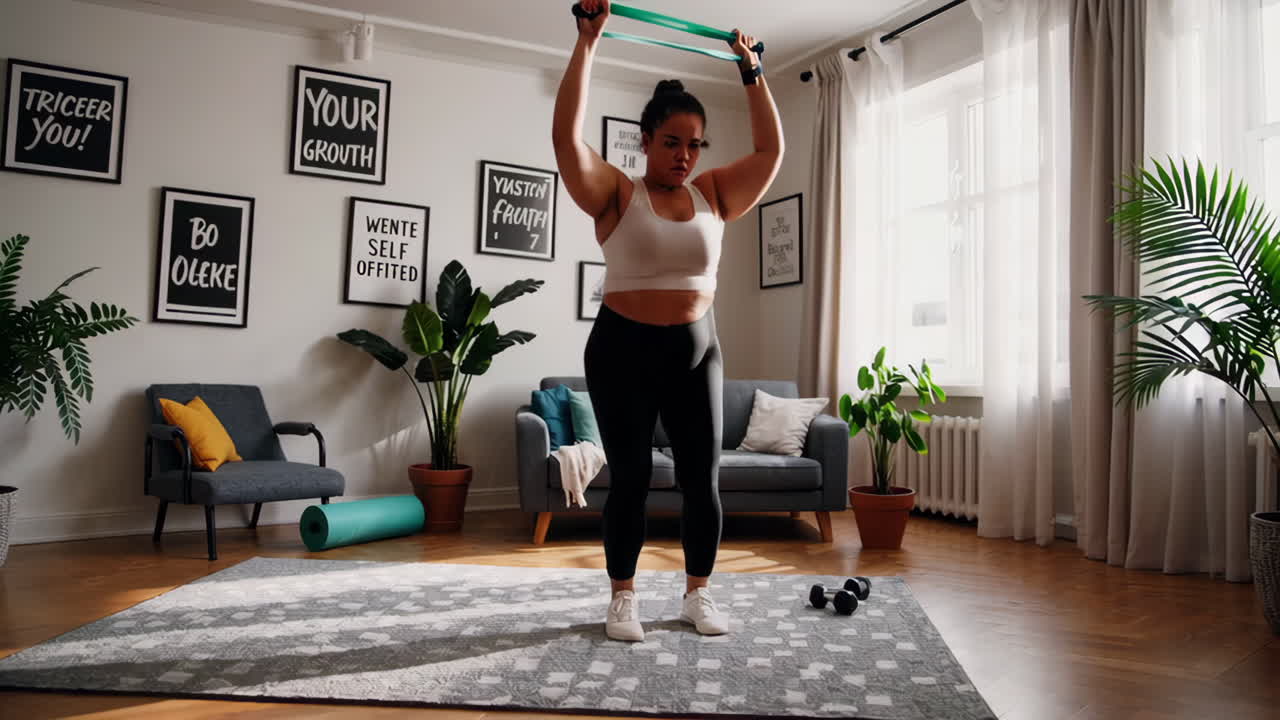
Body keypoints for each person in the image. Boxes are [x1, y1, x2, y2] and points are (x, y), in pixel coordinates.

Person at [551, 0, 783, 642]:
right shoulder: (617, 194)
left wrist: (752, 71)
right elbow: (567, 141)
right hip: (623, 350)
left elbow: (770, 149)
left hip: (696, 352)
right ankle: (622, 597)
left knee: (701, 482)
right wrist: (588, 43)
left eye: (694, 144)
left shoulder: (713, 194)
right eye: (672, 142)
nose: (684, 155)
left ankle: (697, 594)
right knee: (629, 480)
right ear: (646, 141)